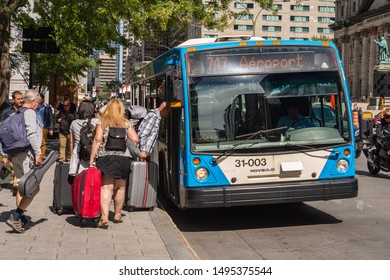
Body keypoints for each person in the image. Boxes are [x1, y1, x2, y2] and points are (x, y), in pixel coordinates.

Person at [88, 99, 138, 229]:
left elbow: (97, 139)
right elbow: (135, 139)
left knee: (106, 187)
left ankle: (104, 217)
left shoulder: (102, 121)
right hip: (123, 158)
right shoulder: (126, 123)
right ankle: (117, 215)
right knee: (120, 187)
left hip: (106, 158)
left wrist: (92, 158)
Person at [5, 89, 43, 233]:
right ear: (33, 102)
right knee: (34, 187)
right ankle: (16, 217)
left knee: (22, 186)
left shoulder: (16, 112)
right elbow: (32, 134)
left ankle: (20, 219)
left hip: (15, 154)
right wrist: (38, 153)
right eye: (38, 104)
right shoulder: (30, 113)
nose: (38, 106)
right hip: (27, 154)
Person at [1, 90, 24, 195]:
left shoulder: (24, 110)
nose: (20, 100)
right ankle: (16, 184)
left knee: (19, 163)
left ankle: (17, 184)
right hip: (10, 142)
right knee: (12, 164)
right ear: (13, 100)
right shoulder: (7, 112)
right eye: (18, 99)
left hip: (21, 142)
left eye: (21, 98)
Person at [69, 100, 97, 176]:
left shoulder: (74, 123)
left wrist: (72, 154)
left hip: (78, 151)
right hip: (92, 151)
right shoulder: (96, 122)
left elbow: (71, 141)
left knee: (79, 179)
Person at [35, 94, 54, 159]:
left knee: (43, 142)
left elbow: (50, 118)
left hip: (44, 127)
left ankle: (41, 156)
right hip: (35, 127)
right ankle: (36, 155)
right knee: (35, 142)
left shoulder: (47, 107)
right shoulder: (35, 106)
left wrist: (51, 128)